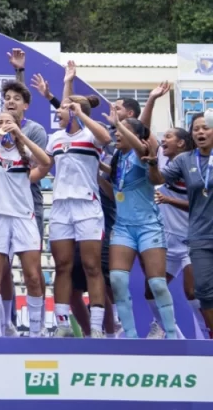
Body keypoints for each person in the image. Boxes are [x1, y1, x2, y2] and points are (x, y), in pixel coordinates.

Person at [0, 57, 52, 338]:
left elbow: (47, 164)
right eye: (1, 119)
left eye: (8, 120)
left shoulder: (26, 149)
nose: (3, 121)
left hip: (24, 217)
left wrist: (20, 136)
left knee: (31, 275)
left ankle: (38, 333)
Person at [37, 76, 112, 338]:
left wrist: (80, 113)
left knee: (92, 266)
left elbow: (106, 138)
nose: (57, 114)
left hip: (87, 207)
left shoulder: (92, 134)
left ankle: (96, 326)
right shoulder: (55, 138)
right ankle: (62, 324)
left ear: (74, 112)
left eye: (62, 110)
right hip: (60, 208)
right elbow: (43, 163)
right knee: (62, 266)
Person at [109, 113, 176, 339]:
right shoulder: (117, 158)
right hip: (123, 228)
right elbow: (115, 191)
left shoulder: (141, 154)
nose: (117, 133)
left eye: (122, 129)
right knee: (117, 280)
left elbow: (140, 146)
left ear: (136, 135)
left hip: (149, 227)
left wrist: (120, 123)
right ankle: (131, 337)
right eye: (116, 129)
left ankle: (171, 335)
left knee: (157, 283)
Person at [155, 113, 213, 338]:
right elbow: (158, 178)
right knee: (203, 293)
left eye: (205, 128)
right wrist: (150, 161)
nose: (200, 132)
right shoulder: (185, 160)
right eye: (196, 129)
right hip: (198, 236)